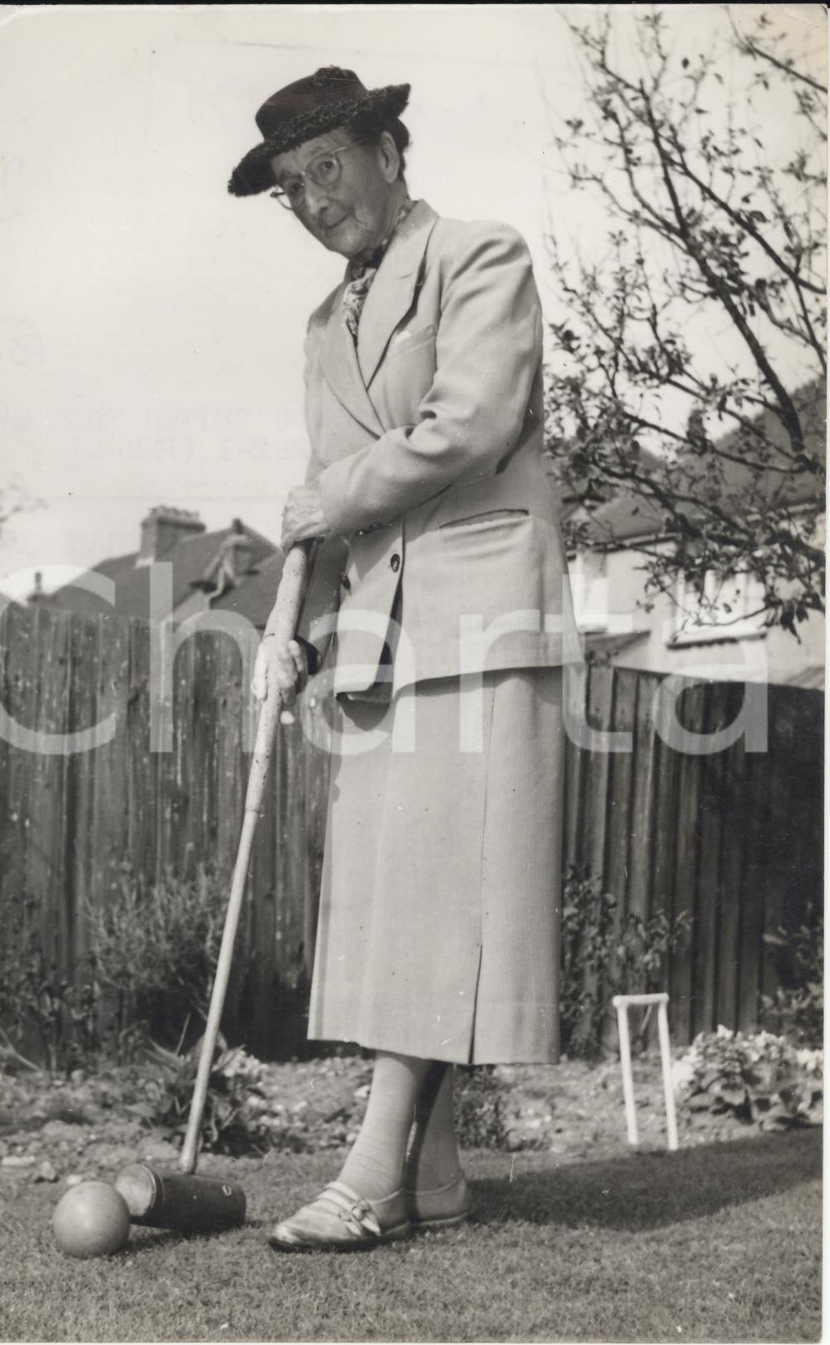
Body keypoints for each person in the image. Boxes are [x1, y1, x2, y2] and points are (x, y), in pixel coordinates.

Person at [230, 66, 580, 1252]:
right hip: (380, 639)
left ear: (389, 150)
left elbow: (470, 425)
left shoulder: (480, 257)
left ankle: (373, 1173)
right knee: (393, 907)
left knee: (442, 905)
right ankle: (430, 1174)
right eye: (289, 188)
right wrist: (294, 626)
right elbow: (332, 514)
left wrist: (322, 502)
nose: (314, 201)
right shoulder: (321, 327)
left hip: (481, 611)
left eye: (328, 167)